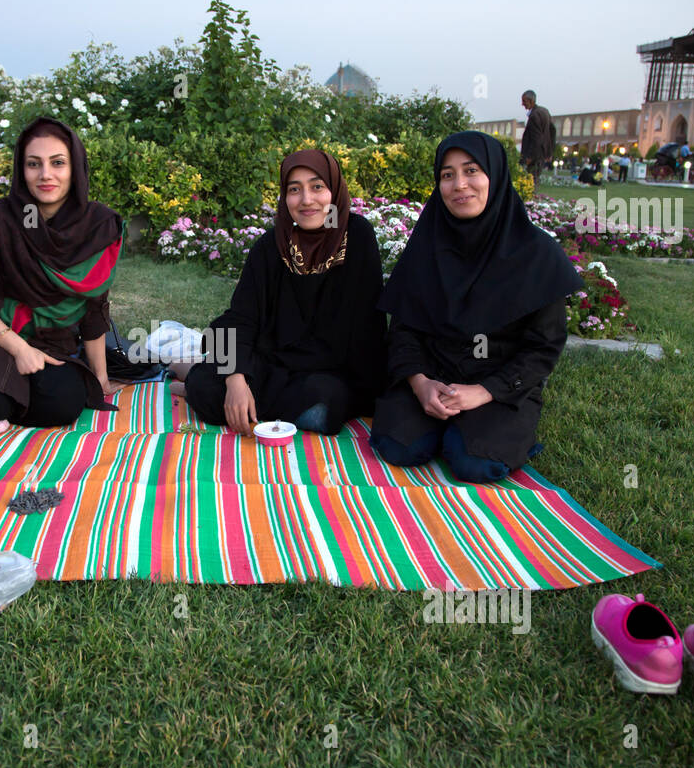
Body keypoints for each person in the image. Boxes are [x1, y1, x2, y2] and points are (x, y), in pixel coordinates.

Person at [370, 131, 583, 483]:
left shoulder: (535, 254)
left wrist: (483, 392)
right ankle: (439, 420)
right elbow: (404, 328)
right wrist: (420, 382)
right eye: (447, 175)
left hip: (500, 386)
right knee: (400, 446)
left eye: (471, 171)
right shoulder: (428, 242)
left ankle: (478, 430)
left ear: (494, 176)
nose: (459, 185)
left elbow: (542, 347)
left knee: (476, 463)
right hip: (434, 374)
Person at [178, 149, 386, 436]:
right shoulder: (270, 246)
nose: (306, 200)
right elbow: (240, 317)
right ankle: (191, 374)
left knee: (325, 408)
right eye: (294, 189)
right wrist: (236, 381)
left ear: (334, 190)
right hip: (270, 365)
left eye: (317, 187)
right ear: (284, 197)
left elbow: (368, 325)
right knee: (211, 388)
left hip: (329, 373)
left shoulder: (357, 237)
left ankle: (198, 378)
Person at [0, 117, 122, 428]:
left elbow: (94, 306)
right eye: (34, 164)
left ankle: (17, 394)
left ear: (75, 167)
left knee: (62, 404)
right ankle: (7, 395)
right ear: (21, 170)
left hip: (54, 343)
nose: (46, 175)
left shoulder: (98, 225)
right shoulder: (1, 219)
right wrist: (19, 348)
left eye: (58, 163)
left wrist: (101, 378)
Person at [520, 90, 555, 187]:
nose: (522, 104)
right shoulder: (544, 111)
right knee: (534, 179)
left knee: (531, 181)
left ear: (531, 101)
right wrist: (549, 152)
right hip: (541, 154)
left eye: (524, 101)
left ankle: (530, 201)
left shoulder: (534, 115)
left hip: (535, 156)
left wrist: (529, 157)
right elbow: (552, 131)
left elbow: (536, 139)